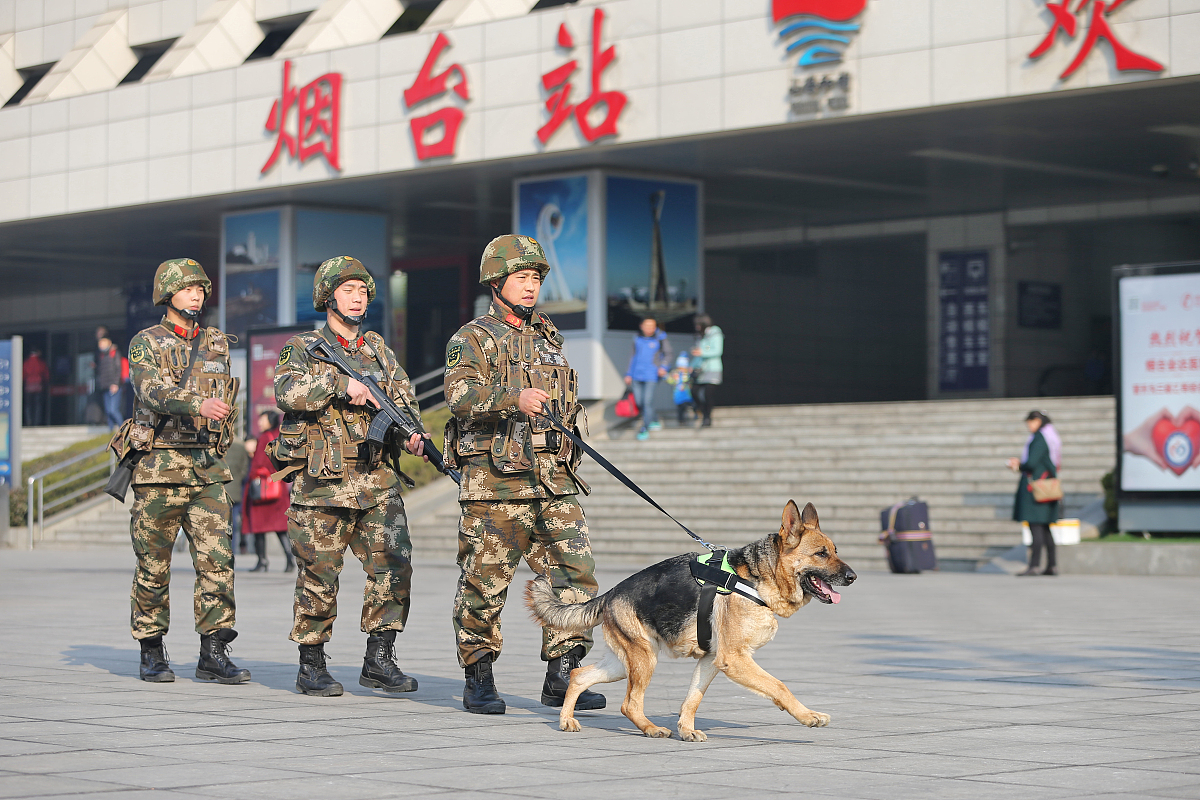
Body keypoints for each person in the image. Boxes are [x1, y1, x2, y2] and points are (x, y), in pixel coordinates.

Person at [444, 234, 604, 716]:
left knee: (575, 576)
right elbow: (459, 396)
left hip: (554, 481)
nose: (531, 286)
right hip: (497, 481)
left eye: (536, 278)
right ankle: (479, 675)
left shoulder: (549, 337)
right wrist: (512, 398)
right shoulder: (472, 337)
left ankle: (562, 674)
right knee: (485, 581)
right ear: (496, 282)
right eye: (521, 277)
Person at [273, 255, 429, 697]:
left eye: (362, 291)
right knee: (319, 573)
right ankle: (312, 663)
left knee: (394, 565)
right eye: (347, 290)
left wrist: (413, 435)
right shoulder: (304, 347)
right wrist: (341, 386)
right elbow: (285, 390)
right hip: (323, 483)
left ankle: (379, 658)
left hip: (376, 480)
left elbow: (403, 399)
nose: (357, 298)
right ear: (327, 297)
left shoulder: (377, 348)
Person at [122, 258, 249, 684]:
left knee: (218, 562)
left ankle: (213, 650)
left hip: (208, 469)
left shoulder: (217, 342)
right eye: (187, 288)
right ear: (168, 293)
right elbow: (150, 389)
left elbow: (228, 395)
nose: (196, 294)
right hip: (159, 469)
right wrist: (197, 405)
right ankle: (152, 650)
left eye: (201, 288)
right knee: (153, 565)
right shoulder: (145, 342)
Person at [1008, 410, 1062, 577]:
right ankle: (1051, 565)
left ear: (1038, 421)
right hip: (1046, 488)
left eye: (1030, 422)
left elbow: (1031, 463)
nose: (1029, 426)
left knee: (1036, 527)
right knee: (1045, 529)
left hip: (1036, 490)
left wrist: (1019, 466)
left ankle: (1035, 566)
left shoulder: (1039, 439)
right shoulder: (1049, 437)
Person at [243, 410, 294, 573]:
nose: (259, 423)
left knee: (258, 528)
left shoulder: (264, 438)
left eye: (262, 419)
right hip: (278, 489)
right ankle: (289, 559)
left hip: (262, 491)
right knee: (280, 527)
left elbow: (258, 464)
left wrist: (252, 473)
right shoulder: (279, 437)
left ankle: (262, 561)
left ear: (269, 421)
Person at [624, 316, 671, 441]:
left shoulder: (660, 337)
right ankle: (654, 419)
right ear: (642, 326)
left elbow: (668, 353)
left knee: (647, 401)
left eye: (652, 326)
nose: (649, 328)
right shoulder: (637, 337)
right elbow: (632, 356)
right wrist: (628, 374)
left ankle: (644, 428)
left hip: (652, 375)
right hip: (636, 375)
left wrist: (663, 367)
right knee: (639, 402)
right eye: (647, 325)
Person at [691, 314, 723, 428]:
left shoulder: (715, 333)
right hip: (701, 370)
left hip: (712, 369)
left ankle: (707, 417)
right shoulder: (700, 337)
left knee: (707, 394)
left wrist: (703, 352)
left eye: (699, 325)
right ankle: (701, 410)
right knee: (694, 391)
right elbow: (698, 355)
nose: (697, 327)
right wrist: (691, 366)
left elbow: (717, 351)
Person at [224, 431, 250, 568]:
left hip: (222, 487)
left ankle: (225, 550)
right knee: (233, 523)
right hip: (236, 488)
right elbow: (245, 468)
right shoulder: (241, 446)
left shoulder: (221, 443)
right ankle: (232, 549)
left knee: (221, 523)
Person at [96, 334, 125, 429]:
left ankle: (123, 429)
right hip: (105, 386)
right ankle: (110, 431)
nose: (101, 346)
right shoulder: (101, 356)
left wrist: (115, 384)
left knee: (113, 410)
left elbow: (118, 369)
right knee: (108, 410)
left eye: (103, 344)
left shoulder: (114, 353)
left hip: (114, 386)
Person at [666, 352, 695, 425]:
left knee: (688, 405)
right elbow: (671, 380)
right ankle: (681, 420)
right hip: (678, 394)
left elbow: (690, 380)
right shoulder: (675, 373)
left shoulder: (688, 372)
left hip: (687, 393)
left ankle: (695, 414)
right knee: (680, 408)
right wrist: (667, 376)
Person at [22, 349, 49, 426]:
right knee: (38, 406)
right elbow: (46, 375)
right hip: (38, 386)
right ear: (38, 352)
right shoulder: (41, 363)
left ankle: (29, 421)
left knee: (28, 406)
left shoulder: (26, 363)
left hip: (28, 387)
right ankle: (37, 422)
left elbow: (23, 375)